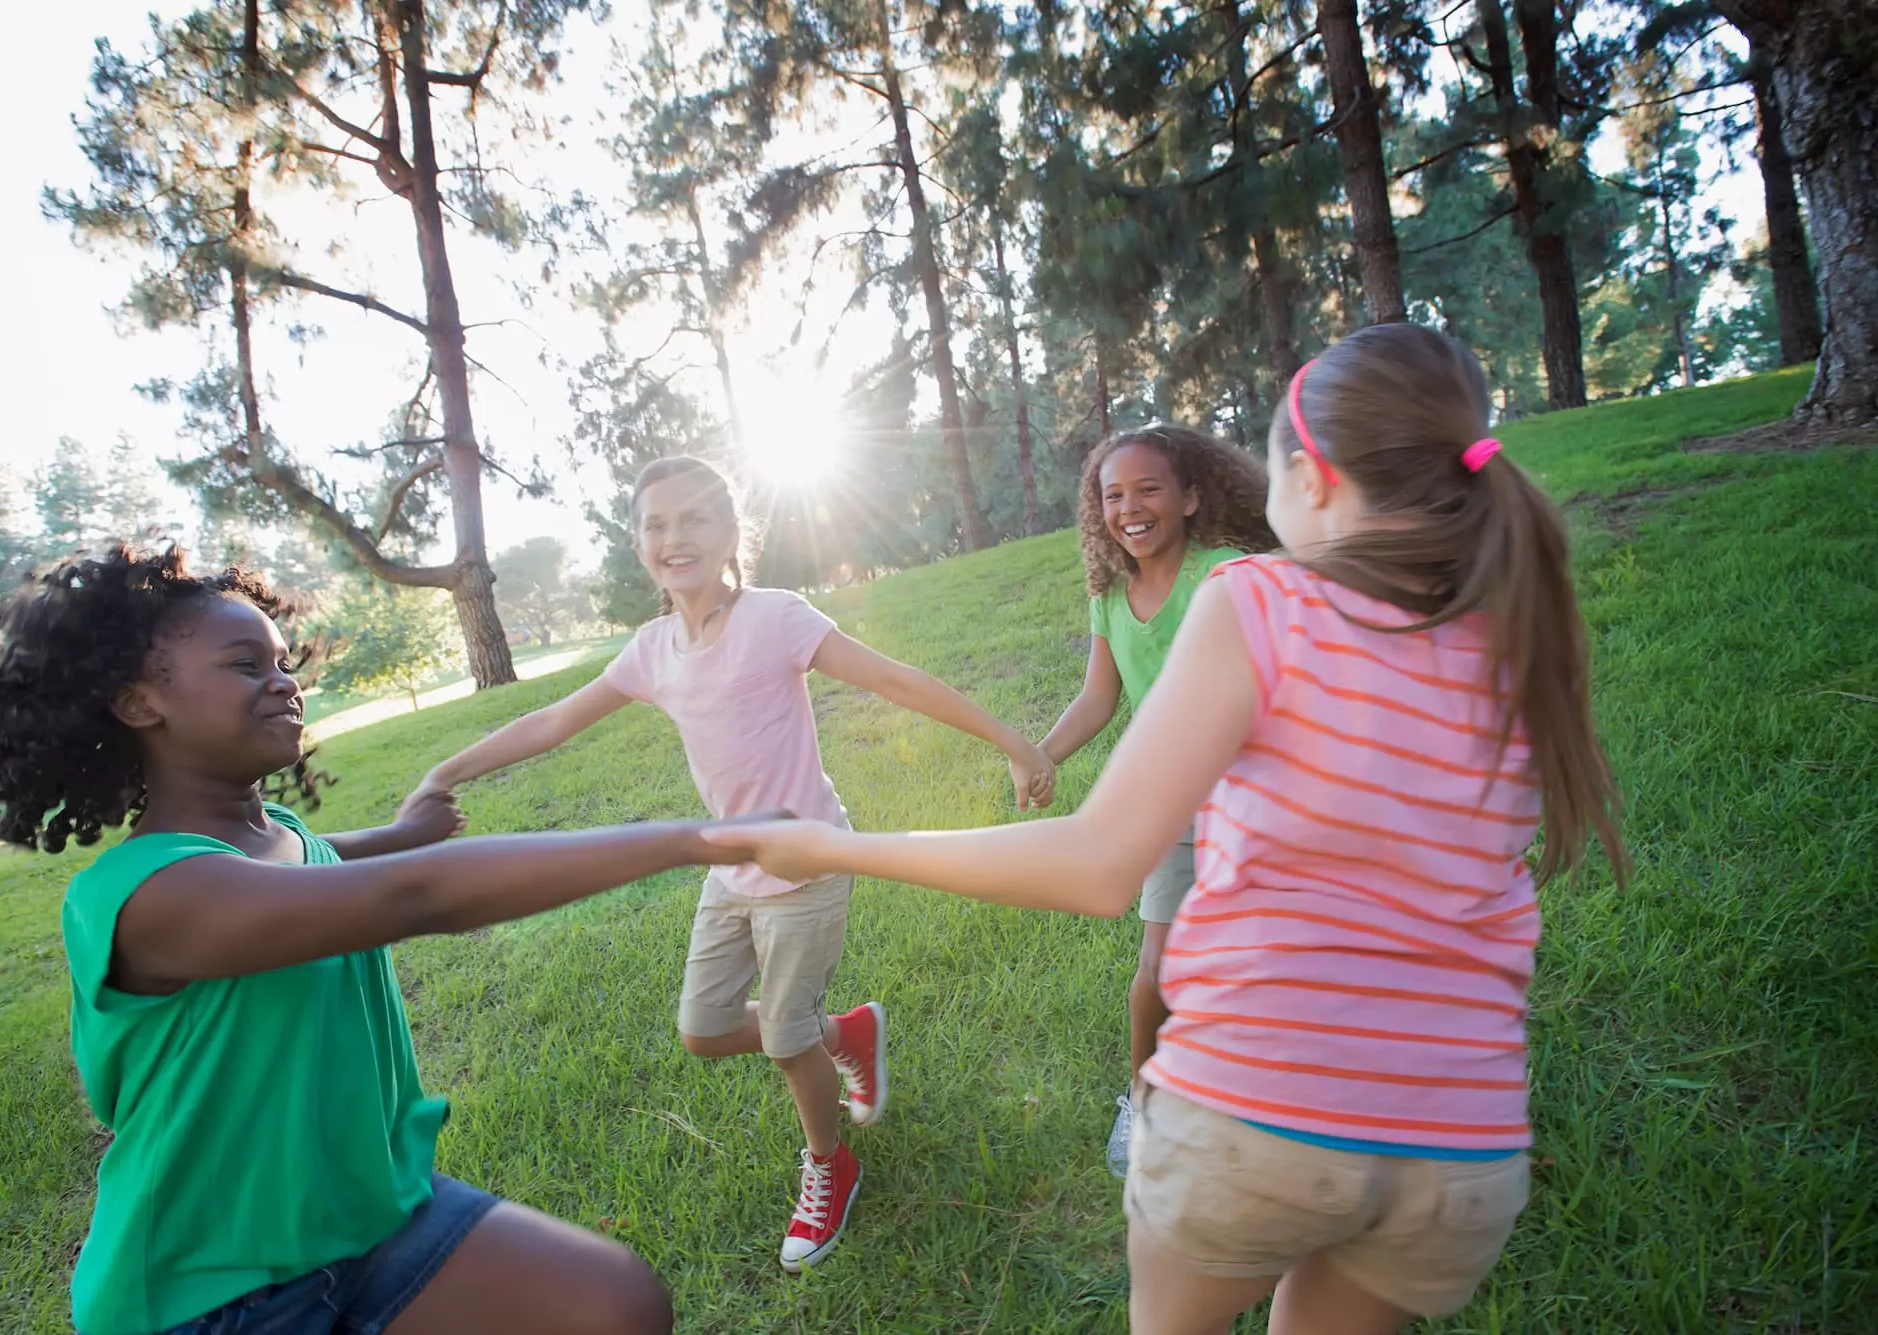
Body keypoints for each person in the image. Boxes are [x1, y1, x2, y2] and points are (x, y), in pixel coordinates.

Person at [705, 324, 1630, 1334]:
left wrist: (831, 846)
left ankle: (1141, 1104)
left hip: (1258, 1119)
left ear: (1309, 481)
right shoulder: (1516, 627)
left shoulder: (1253, 593)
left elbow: (1099, 865)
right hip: (1463, 1156)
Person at [0, 546, 773, 1335]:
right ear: (136, 699)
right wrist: (696, 837)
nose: (284, 681)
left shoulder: (269, 835)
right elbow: (409, 898)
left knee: (617, 1303)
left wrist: (403, 829)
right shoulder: (146, 894)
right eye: (244, 664)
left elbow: (320, 858)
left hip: (368, 1215)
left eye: (282, 661)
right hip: (210, 1294)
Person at [410, 455, 1055, 1275]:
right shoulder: (651, 651)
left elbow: (894, 678)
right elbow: (553, 720)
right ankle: (846, 1033)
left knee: (785, 1044)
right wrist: (446, 772)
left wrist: (1015, 740)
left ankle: (831, 1162)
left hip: (809, 860)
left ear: (730, 533)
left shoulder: (776, 618)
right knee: (704, 1029)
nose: (674, 538)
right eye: (656, 524)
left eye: (694, 520)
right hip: (729, 867)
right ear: (639, 542)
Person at [1038, 424, 1277, 1176]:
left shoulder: (1227, 573)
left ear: (1191, 496)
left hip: (1256, 799)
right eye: (1113, 495)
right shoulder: (1109, 596)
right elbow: (1099, 695)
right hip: (1170, 803)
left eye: (1148, 489)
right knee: (1160, 963)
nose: (1130, 508)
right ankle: (1142, 1100)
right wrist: (1045, 754)